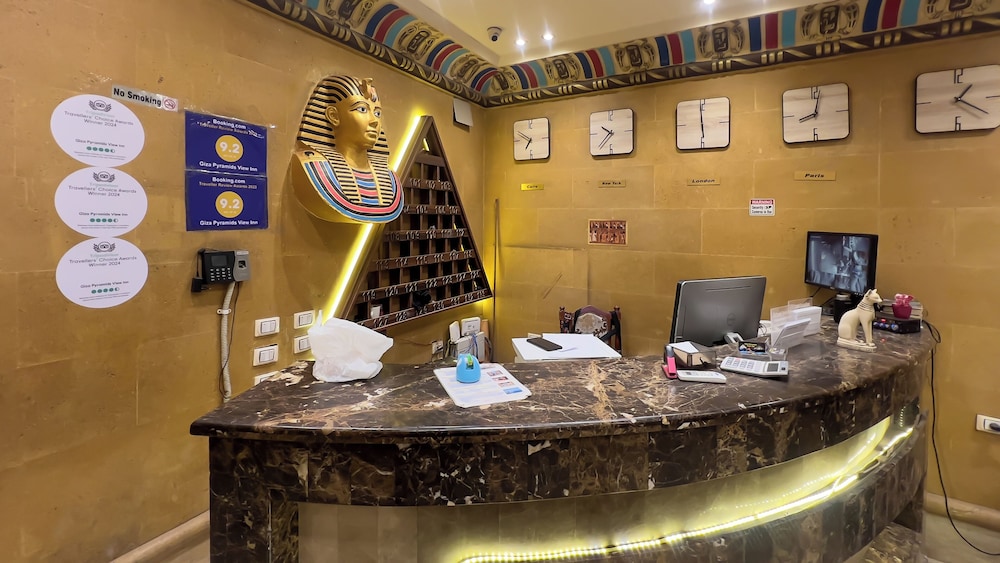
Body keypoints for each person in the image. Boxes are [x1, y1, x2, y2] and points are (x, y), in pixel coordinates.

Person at [291, 75, 403, 222]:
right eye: (362, 109)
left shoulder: (390, 179)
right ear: (334, 116)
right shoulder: (314, 167)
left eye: (377, 113)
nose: (374, 121)